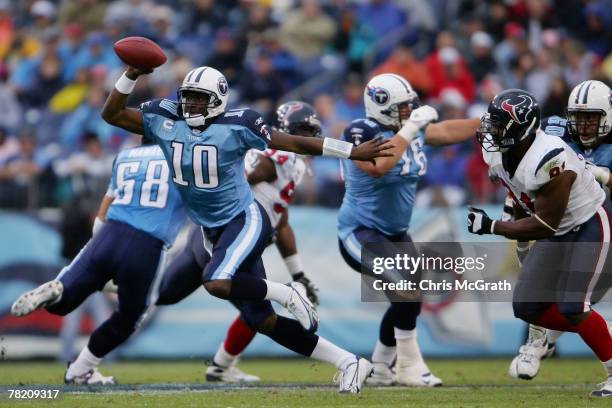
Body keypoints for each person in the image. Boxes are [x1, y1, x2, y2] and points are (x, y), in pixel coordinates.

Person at [101, 64, 393, 393]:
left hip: (239, 223)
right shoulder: (168, 119)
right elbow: (112, 114)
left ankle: (281, 296)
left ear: (218, 100)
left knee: (215, 282)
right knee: (255, 318)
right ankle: (349, 361)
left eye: (200, 99)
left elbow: (290, 147)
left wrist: (350, 151)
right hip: (213, 229)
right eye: (189, 99)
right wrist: (130, 73)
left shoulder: (243, 128)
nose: (192, 106)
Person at [155, 101, 322, 383]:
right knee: (259, 313)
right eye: (302, 131)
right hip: (228, 235)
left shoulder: (288, 164)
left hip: (220, 237)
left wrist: (299, 273)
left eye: (311, 131)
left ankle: (221, 366)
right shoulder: (276, 156)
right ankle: (344, 361)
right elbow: (240, 180)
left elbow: (281, 223)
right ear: (284, 130)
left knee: (162, 294)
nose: (308, 138)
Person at [337, 73, 480, 387]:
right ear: (381, 105)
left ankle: (379, 366)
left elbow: (444, 130)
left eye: (409, 107)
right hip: (360, 232)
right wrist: (411, 126)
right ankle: (409, 367)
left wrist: (486, 122)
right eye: (401, 107)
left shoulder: (409, 131)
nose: (408, 112)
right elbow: (378, 167)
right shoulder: (360, 130)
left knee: (411, 299)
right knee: (405, 289)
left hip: (395, 232)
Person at [467, 89, 612, 398]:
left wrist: (493, 225)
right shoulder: (500, 152)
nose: (490, 131)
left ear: (521, 129)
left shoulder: (549, 156)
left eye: (499, 125)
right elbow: (519, 192)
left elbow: (547, 223)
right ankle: (601, 330)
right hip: (557, 229)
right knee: (527, 306)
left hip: (587, 224)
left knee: (574, 305)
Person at [11, 141, 187, 384]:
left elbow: (108, 199)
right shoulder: (183, 156)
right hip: (147, 242)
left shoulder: (125, 156)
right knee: (130, 316)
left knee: (64, 300)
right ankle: (82, 367)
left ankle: (59, 287)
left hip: (109, 232)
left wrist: (100, 236)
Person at [508, 80, 612, 381]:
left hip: (600, 223)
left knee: (577, 301)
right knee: (535, 295)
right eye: (578, 117)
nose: (584, 124)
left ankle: (547, 340)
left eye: (591, 117)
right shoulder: (554, 132)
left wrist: (601, 173)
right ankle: (536, 339)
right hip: (560, 224)